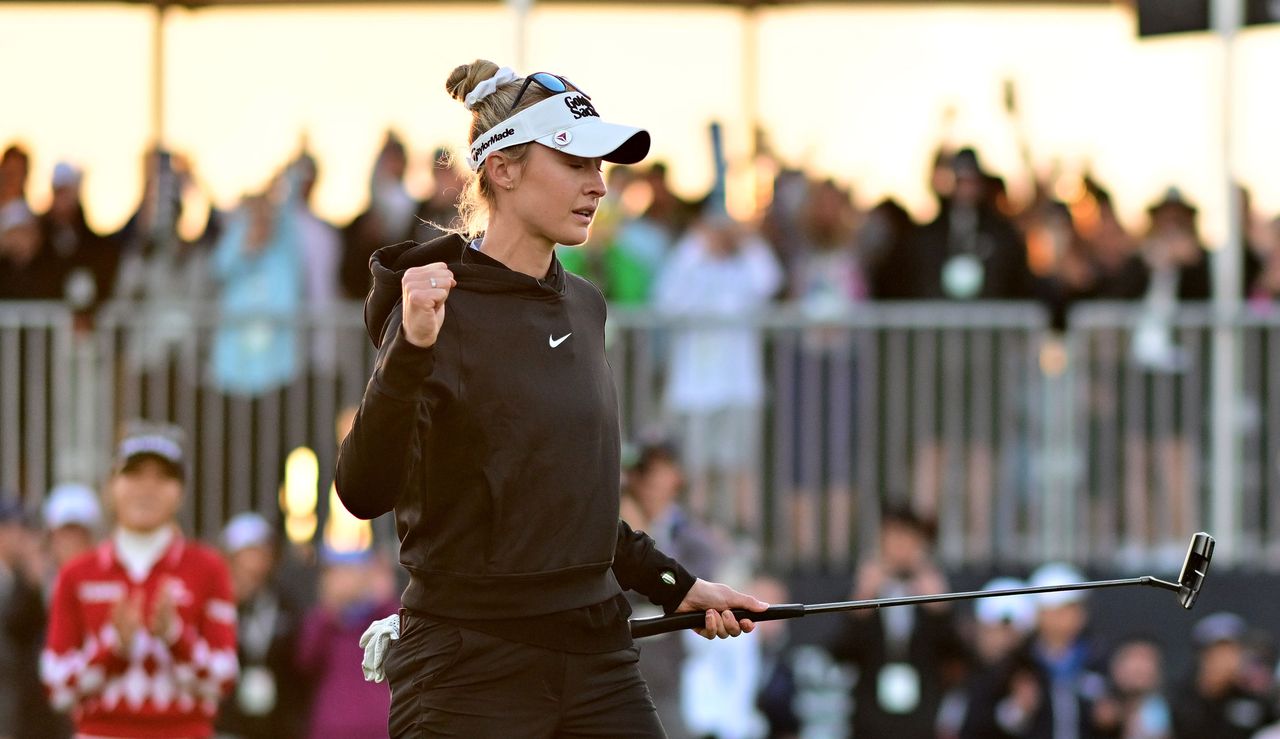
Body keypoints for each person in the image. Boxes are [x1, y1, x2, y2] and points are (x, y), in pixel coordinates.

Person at [335, 60, 768, 737]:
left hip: (596, 656)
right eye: (575, 162)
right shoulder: (434, 304)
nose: (598, 185)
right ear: (503, 169)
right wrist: (410, 349)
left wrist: (676, 585)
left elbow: (574, 505)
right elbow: (362, 488)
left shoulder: (587, 306)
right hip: (466, 667)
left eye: (602, 167)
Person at [41, 421, 238, 739]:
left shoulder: (209, 569)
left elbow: (223, 681)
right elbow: (56, 688)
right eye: (134, 474)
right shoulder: (77, 573)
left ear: (182, 492)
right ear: (111, 486)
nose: (147, 488)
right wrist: (114, 648)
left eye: (163, 477)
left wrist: (174, 637)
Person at [830, 504, 968, 739]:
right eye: (893, 537)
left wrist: (940, 609)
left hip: (922, 718)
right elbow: (840, 652)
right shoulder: (862, 587)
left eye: (908, 538)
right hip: (870, 719)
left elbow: (958, 655)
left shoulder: (936, 588)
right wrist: (861, 600)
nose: (900, 547)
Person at [215, 512, 307, 739]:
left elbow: (299, 659)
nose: (254, 562)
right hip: (227, 721)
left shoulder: (284, 602)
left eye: (261, 552)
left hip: (277, 722)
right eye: (246, 553)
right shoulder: (218, 603)